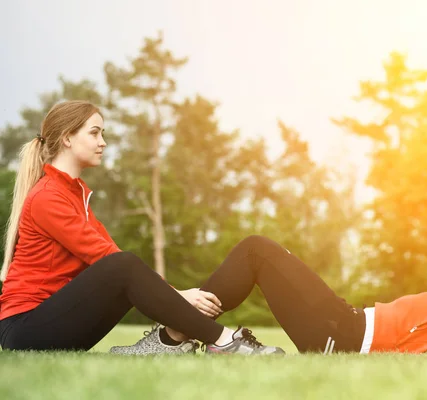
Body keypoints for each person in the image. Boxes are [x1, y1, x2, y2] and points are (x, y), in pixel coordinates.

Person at [0, 101, 283, 355]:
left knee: (122, 263)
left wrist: (175, 296)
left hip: (56, 322)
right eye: (95, 132)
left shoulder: (75, 195)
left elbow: (115, 260)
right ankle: (224, 341)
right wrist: (178, 295)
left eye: (103, 134)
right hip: (26, 328)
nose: (103, 142)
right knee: (121, 263)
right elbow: (105, 257)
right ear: (67, 139)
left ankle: (168, 341)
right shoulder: (48, 196)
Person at [119, 235, 427, 354]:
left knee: (258, 251)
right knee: (258, 252)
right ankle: (178, 331)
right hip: (348, 320)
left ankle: (174, 333)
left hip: (344, 336)